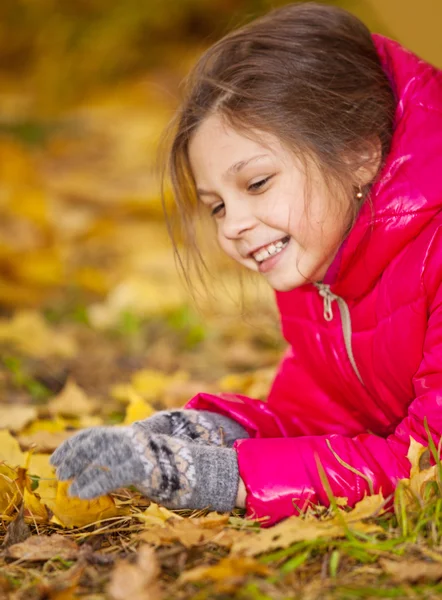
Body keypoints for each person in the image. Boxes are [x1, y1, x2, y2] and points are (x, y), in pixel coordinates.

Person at [50, 2, 442, 527]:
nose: (233, 225)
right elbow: (327, 418)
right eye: (217, 205)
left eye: (256, 183)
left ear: (359, 154)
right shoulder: (325, 270)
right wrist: (196, 435)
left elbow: (426, 464)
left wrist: (217, 478)